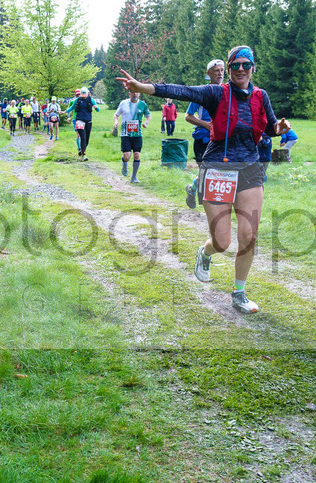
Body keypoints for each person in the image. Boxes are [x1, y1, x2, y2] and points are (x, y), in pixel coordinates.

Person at [118, 46, 290, 313]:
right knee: (222, 242)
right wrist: (142, 87)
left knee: (249, 236)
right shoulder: (216, 93)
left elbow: (268, 127)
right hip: (218, 168)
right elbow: (180, 91)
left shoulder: (260, 95)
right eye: (236, 66)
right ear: (229, 70)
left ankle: (239, 292)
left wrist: (278, 129)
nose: (241, 69)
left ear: (253, 67)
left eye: (247, 65)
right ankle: (206, 252)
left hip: (250, 169)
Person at [184, 59, 226, 209]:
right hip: (203, 138)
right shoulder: (201, 93)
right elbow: (188, 116)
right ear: (209, 73)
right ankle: (193, 189)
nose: (220, 73)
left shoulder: (227, 92)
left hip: (221, 140)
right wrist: (206, 125)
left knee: (219, 172)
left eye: (222, 70)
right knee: (206, 172)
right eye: (216, 71)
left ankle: (212, 201)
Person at [114, 90, 150, 183]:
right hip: (125, 133)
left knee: (137, 155)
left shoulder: (143, 104)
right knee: (127, 156)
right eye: (133, 92)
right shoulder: (123, 103)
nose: (135, 94)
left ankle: (134, 177)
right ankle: (124, 163)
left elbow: (148, 116)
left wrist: (146, 123)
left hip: (137, 134)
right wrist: (116, 122)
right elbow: (116, 115)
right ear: (129, 94)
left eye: (137, 92)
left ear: (139, 94)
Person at [64, 86, 99, 161]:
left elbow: (98, 109)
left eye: (84, 95)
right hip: (79, 120)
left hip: (88, 120)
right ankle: (84, 155)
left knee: (87, 139)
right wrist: (65, 111)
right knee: (82, 137)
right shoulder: (77, 100)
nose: (83, 97)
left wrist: (96, 107)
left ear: (87, 93)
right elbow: (72, 108)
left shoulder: (91, 100)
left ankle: (82, 150)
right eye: (81, 95)